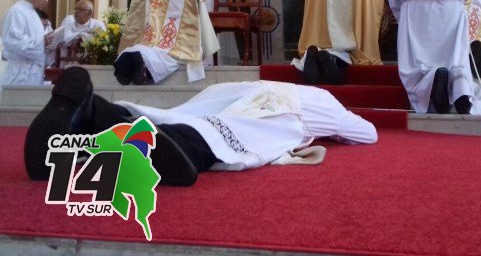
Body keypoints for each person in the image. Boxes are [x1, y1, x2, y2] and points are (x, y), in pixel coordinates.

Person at [24, 67, 378, 186]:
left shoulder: (285, 82)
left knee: (181, 115)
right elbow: (368, 133)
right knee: (223, 136)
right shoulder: (328, 103)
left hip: (230, 93)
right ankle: (145, 149)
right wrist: (340, 125)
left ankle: (93, 117)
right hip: (272, 110)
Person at [0, 0, 53, 86]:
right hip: (20, 72)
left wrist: (47, 42)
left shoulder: (32, 12)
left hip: (33, 70)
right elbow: (13, 41)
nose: (46, 0)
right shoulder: (16, 11)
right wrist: (41, 42)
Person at [50, 0, 106, 67]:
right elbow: (61, 39)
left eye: (80, 10)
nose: (76, 12)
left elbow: (102, 41)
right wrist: (84, 35)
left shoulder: (98, 24)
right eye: (75, 9)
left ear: (90, 13)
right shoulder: (68, 25)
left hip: (91, 63)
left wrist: (79, 36)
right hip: (67, 62)